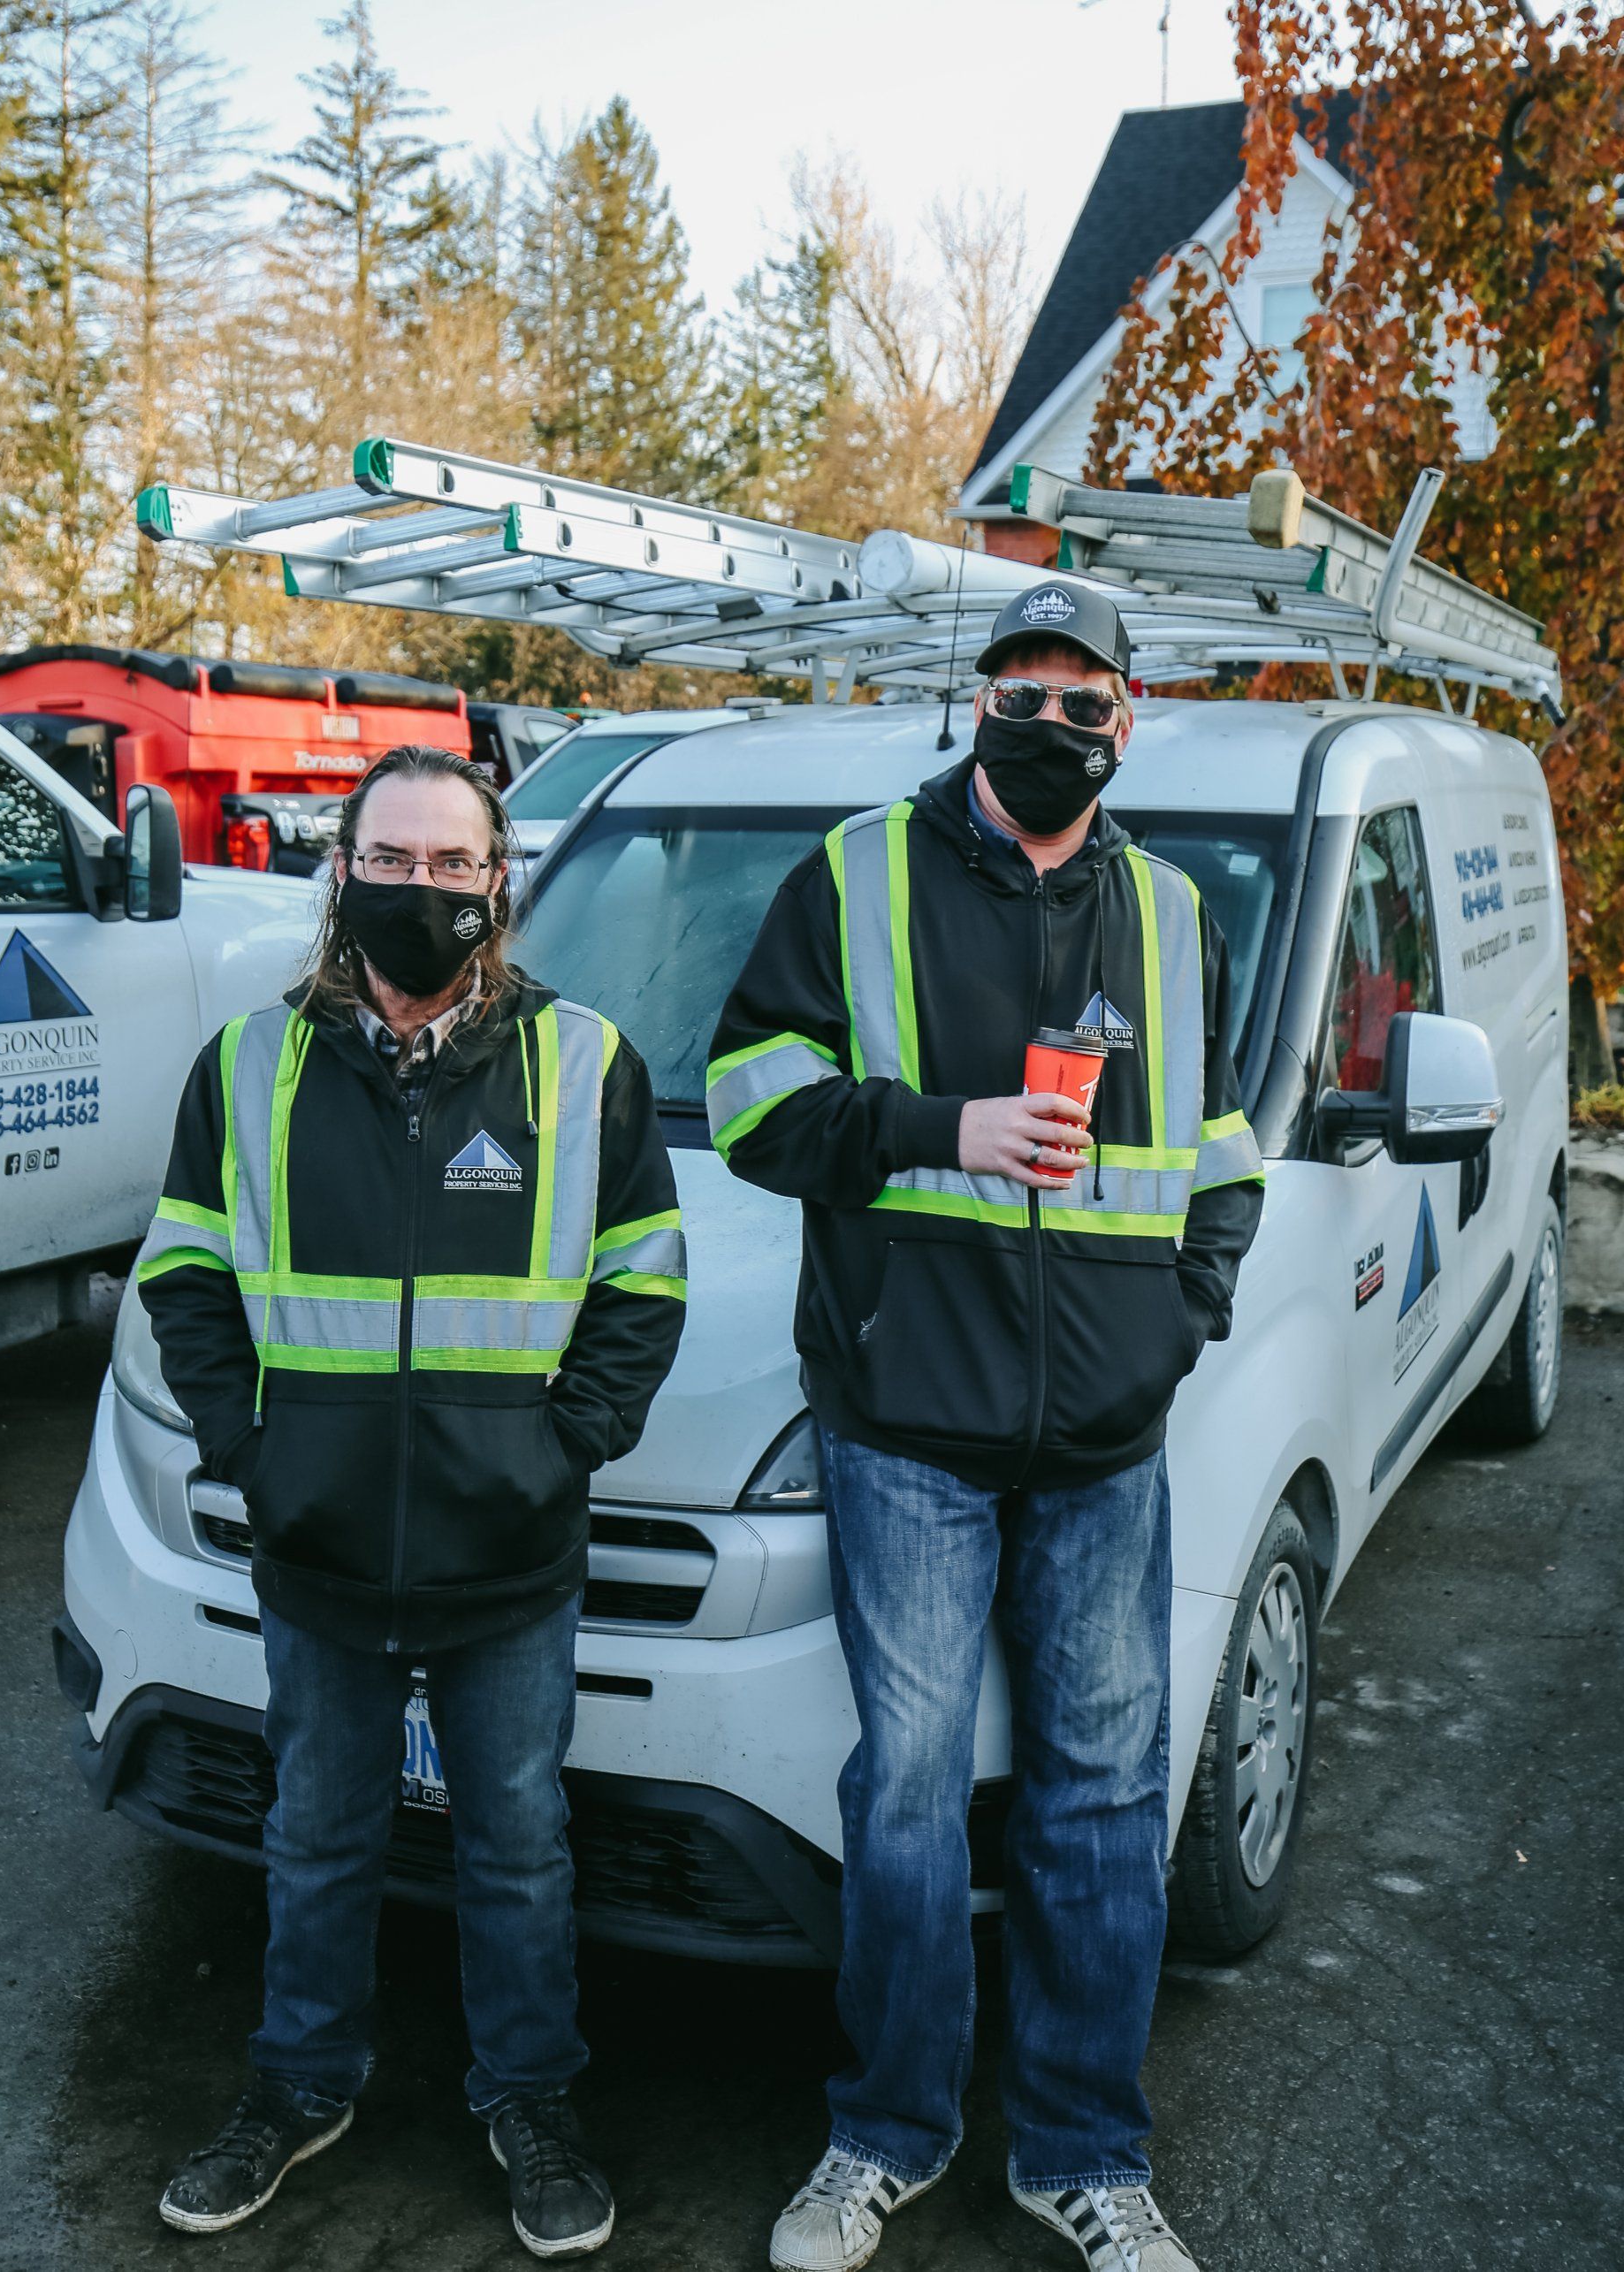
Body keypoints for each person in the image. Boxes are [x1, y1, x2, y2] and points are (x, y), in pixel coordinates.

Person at [707, 581, 1264, 2272]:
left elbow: (1222, 1157)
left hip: (1104, 1439)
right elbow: (744, 1099)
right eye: (1020, 690)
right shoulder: (855, 873)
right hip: (907, 1427)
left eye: (1082, 699)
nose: (1049, 721)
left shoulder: (1172, 913)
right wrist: (947, 1123)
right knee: (908, 1796)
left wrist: (1179, 1325)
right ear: (979, 704)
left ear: (1128, 717)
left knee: (1101, 1798)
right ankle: (886, 2132)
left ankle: (1084, 2154)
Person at [137, 743, 685, 2260]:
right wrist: (257, 1447)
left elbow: (646, 1282)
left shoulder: (585, 1063)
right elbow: (184, 1266)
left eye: (454, 864)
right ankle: (297, 2086)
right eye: (396, 859)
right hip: (318, 1549)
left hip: (510, 1554)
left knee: (518, 1843)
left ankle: (529, 2095)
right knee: (316, 1836)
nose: (423, 888)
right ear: (345, 870)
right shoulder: (250, 1066)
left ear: (497, 883)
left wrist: (558, 1447)